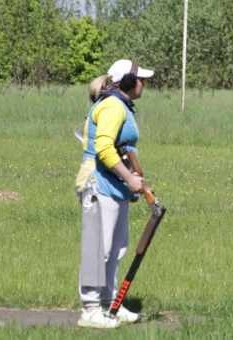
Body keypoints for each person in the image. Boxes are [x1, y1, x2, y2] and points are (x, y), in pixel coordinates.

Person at [75, 59, 154, 328]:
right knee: (98, 249)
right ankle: (91, 310)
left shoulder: (120, 105)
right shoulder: (111, 106)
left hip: (114, 183)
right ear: (130, 83)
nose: (145, 83)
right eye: (141, 79)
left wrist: (136, 178)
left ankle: (110, 304)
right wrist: (129, 177)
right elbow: (105, 149)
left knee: (116, 248)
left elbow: (123, 148)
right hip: (98, 183)